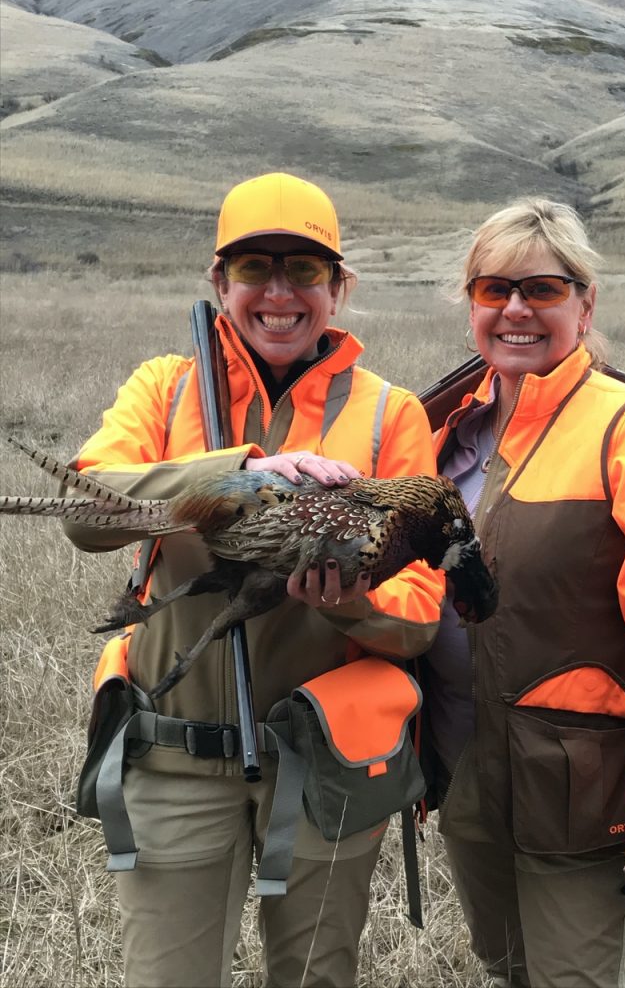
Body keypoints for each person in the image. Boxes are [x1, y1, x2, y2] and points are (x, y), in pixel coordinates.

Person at [63, 172, 444, 988]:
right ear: (218, 282)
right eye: (253, 268)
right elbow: (85, 511)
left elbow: (420, 618)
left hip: (329, 764)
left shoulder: (389, 415)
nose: (279, 291)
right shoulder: (164, 389)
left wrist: (353, 602)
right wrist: (239, 475)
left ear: (339, 288)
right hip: (174, 758)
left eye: (305, 270)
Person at [421, 198, 625, 987]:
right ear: (472, 306)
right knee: (507, 970)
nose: (516, 309)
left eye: (544, 289)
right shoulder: (443, 435)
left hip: (581, 799)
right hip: (467, 780)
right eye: (493, 290)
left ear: (586, 303)